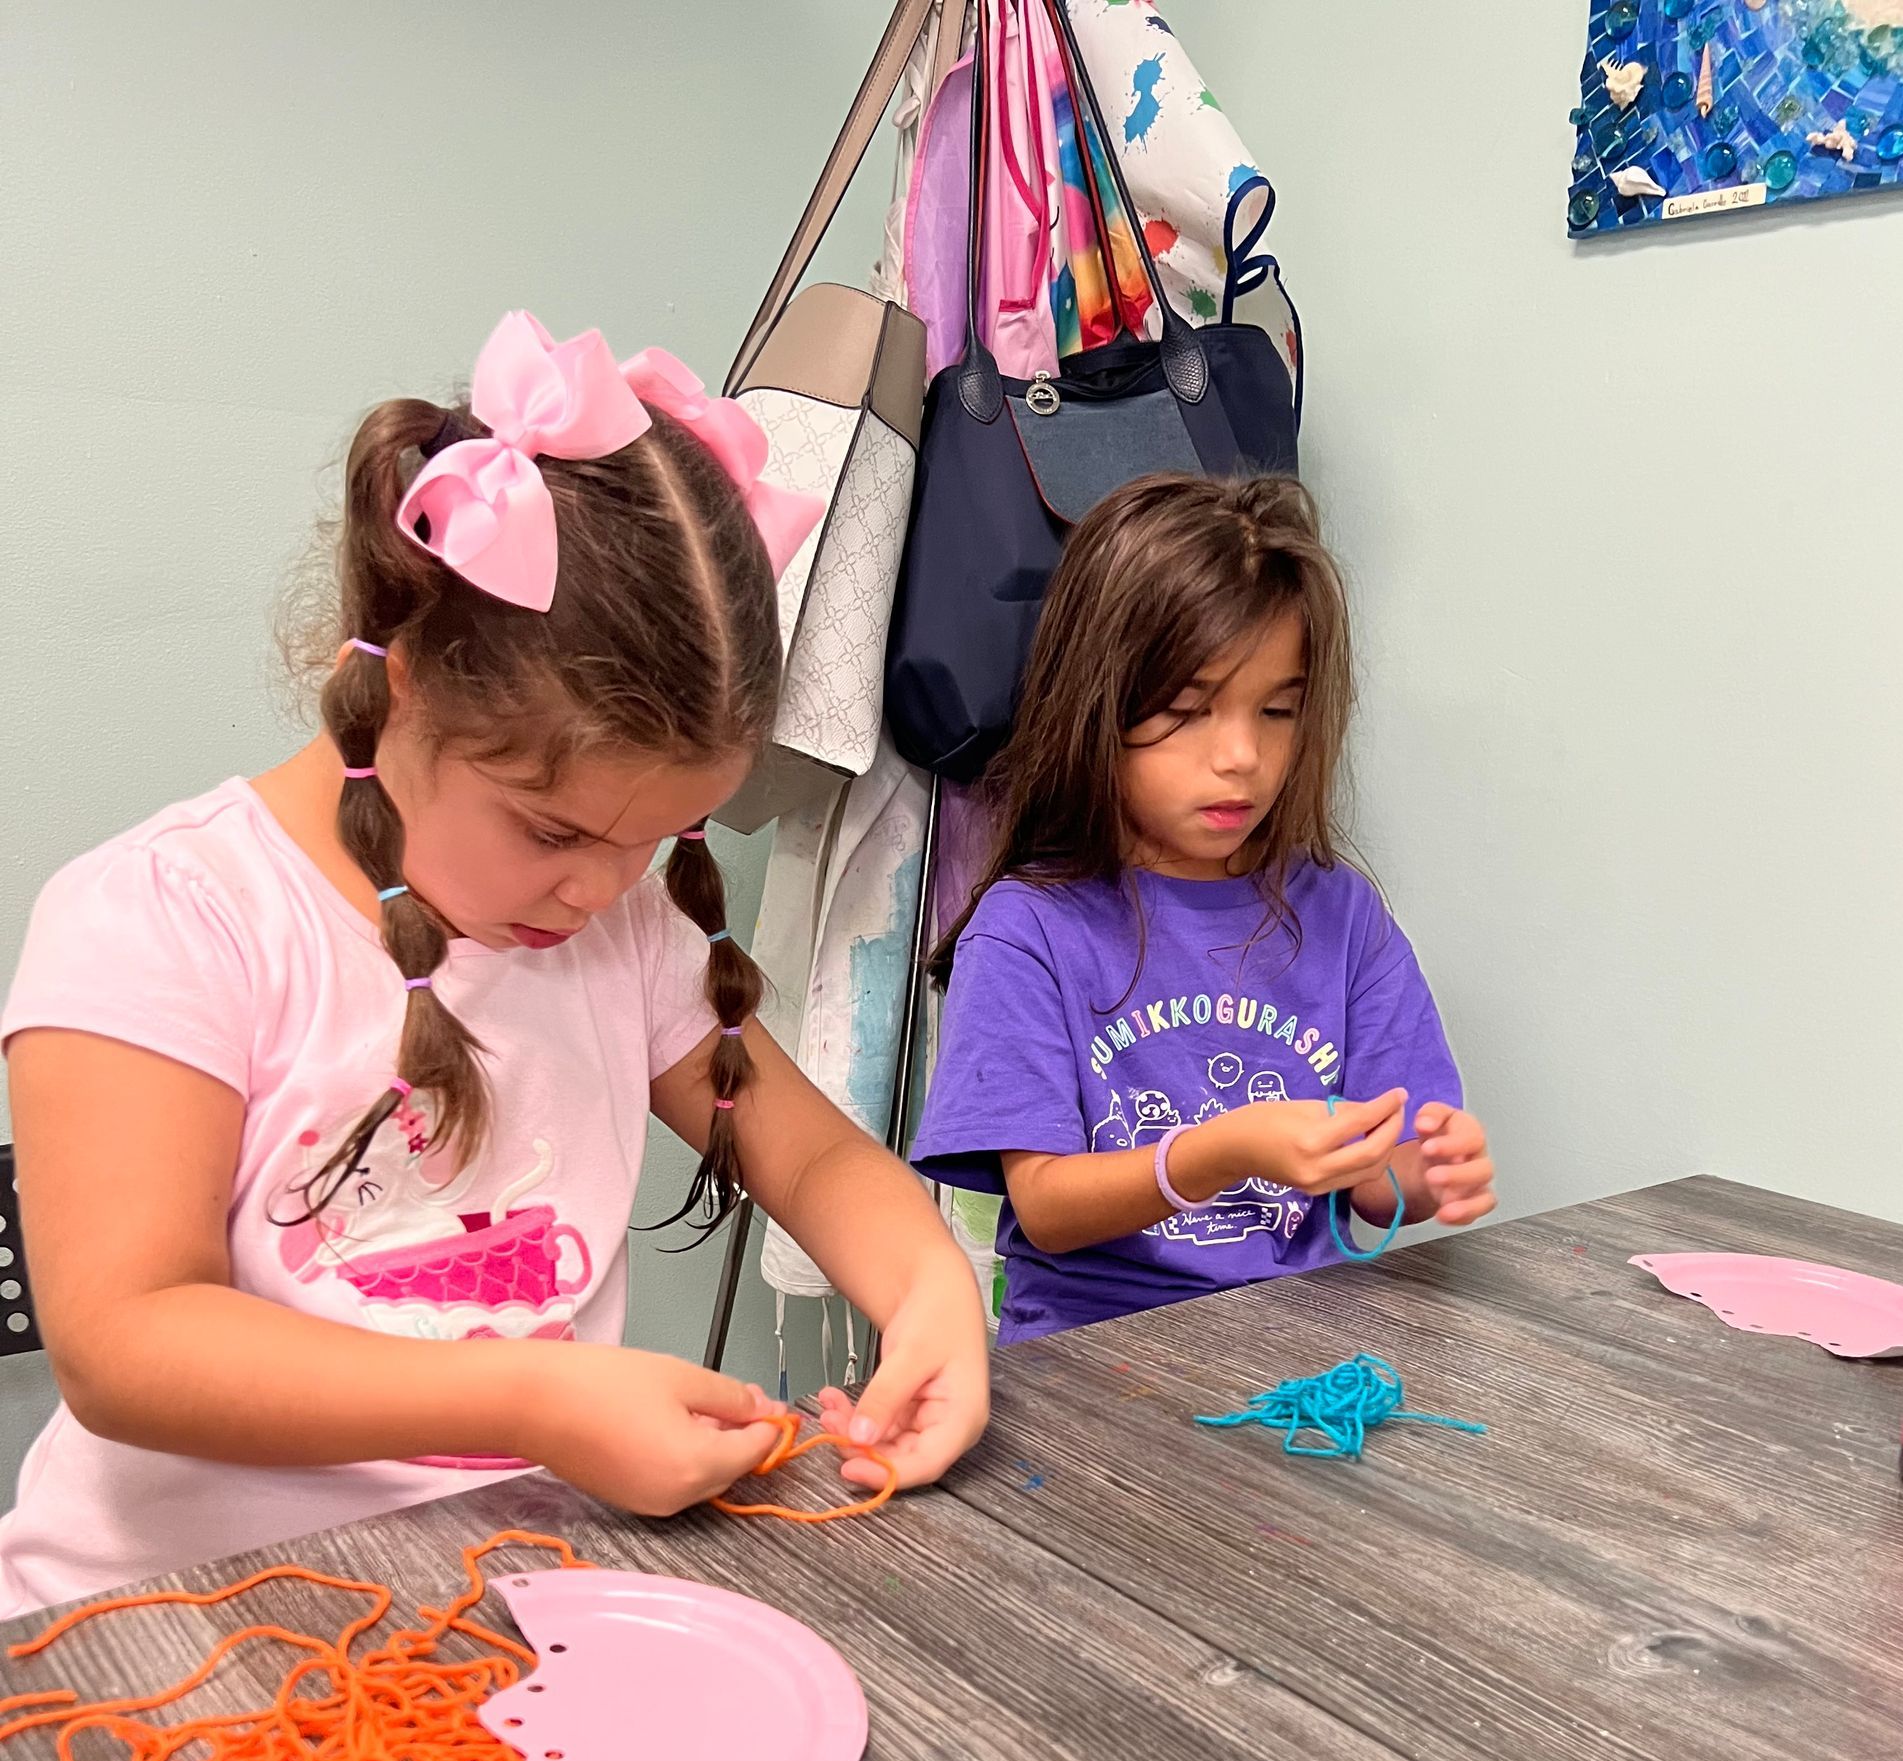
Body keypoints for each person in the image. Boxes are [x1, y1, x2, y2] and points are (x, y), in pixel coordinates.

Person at [0, 313, 987, 1614]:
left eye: (656, 838)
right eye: (556, 830)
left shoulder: (620, 933)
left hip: (489, 1600)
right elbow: (128, 1343)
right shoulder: (165, 919)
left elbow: (807, 1157)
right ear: (401, 677)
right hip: (148, 1621)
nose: (600, 889)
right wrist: (533, 1400)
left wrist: (930, 1295)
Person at [913, 472, 1496, 1344]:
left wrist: (1427, 1171)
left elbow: (1383, 1185)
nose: (1242, 757)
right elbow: (1047, 1208)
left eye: (1278, 710)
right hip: (1095, 1361)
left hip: (1300, 1352)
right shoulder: (1027, 928)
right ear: (1094, 709)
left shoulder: (1343, 916)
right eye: (1189, 711)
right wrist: (1227, 1149)